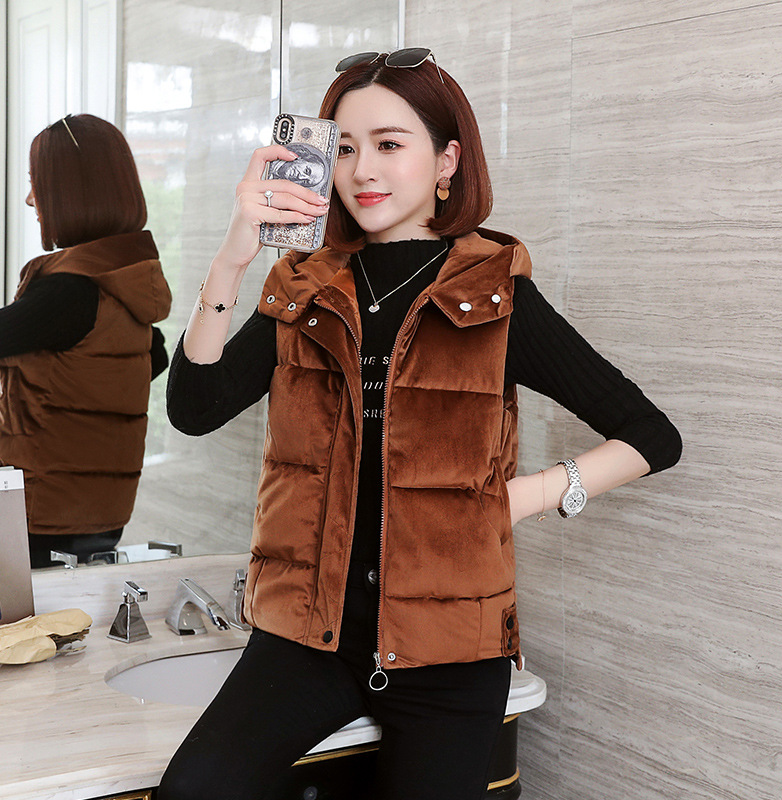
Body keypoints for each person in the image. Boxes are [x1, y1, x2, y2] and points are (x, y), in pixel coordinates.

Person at [160, 49, 681, 800]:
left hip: (451, 652)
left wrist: (515, 499)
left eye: (389, 144)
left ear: (447, 160)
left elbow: (650, 436)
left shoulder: (493, 292)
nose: (362, 170)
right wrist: (234, 258)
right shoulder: (306, 286)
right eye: (344, 148)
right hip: (305, 639)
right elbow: (194, 408)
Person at [0, 114, 172, 568]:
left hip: (42, 513)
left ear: (73, 192)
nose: (30, 198)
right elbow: (155, 355)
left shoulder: (69, 291)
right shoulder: (123, 281)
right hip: (97, 513)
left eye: (37, 183)